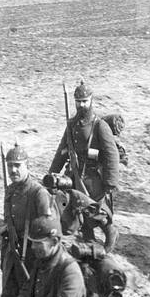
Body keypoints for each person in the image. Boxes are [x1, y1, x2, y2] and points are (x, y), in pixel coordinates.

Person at [48, 81, 121, 245]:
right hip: (74, 174)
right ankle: (88, 236)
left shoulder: (99, 126)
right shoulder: (71, 125)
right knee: (77, 207)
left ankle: (110, 232)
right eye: (78, 102)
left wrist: (111, 182)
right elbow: (62, 150)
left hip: (93, 177)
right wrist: (52, 172)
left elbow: (111, 154)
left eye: (84, 101)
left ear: (91, 101)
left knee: (96, 209)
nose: (81, 105)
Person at [0, 146, 54, 297]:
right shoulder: (11, 190)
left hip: (33, 254)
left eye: (17, 165)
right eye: (10, 166)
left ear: (27, 165)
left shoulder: (38, 193)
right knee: (11, 296)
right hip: (13, 251)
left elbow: (49, 229)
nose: (13, 170)